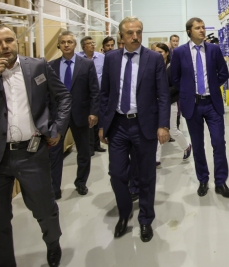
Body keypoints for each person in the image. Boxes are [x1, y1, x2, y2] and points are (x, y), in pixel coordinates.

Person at [0, 24, 71, 267]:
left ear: (16, 41)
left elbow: (63, 96)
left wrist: (57, 128)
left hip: (31, 152)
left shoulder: (38, 66)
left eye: (9, 40)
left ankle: (53, 242)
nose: (5, 46)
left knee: (45, 209)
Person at [99, 16, 170, 242]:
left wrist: (163, 125)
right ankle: (124, 212)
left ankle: (146, 219)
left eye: (139, 32)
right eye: (130, 33)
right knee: (117, 174)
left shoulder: (153, 59)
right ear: (121, 36)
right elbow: (105, 94)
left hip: (144, 124)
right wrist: (103, 125)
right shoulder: (111, 58)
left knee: (146, 175)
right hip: (118, 125)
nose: (135, 36)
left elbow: (163, 94)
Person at [171, 17, 229, 198]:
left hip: (212, 103)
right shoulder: (180, 52)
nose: (202, 30)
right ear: (189, 31)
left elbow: (223, 73)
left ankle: (220, 182)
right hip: (193, 104)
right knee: (198, 145)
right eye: (197, 28)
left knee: (218, 143)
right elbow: (174, 77)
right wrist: (187, 91)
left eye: (203, 27)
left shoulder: (213, 49)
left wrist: (212, 86)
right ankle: (203, 179)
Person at [49, 31, 100, 199]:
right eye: (63, 42)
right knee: (54, 152)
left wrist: (93, 112)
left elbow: (94, 90)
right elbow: (47, 92)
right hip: (58, 116)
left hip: (81, 114)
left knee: (84, 151)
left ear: (75, 44)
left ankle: (81, 182)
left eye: (69, 42)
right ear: (58, 45)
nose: (66, 45)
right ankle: (55, 188)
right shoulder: (51, 66)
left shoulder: (86, 64)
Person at [154, 42, 191, 168]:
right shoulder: (153, 66)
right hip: (156, 103)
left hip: (170, 103)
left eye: (160, 52)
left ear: (167, 53)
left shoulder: (172, 67)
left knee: (173, 131)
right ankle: (156, 159)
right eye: (156, 52)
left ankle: (186, 147)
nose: (158, 54)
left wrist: (163, 94)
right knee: (157, 130)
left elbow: (177, 86)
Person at [78, 35, 106, 155]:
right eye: (89, 43)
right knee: (88, 121)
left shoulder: (101, 57)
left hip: (99, 94)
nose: (92, 45)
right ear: (83, 46)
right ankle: (89, 147)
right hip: (85, 95)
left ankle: (96, 144)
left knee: (98, 120)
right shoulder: (78, 58)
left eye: (93, 43)